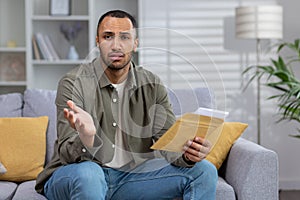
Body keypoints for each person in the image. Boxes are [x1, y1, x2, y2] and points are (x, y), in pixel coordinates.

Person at [35, 10, 218, 200]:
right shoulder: (74, 82)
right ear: (98, 41)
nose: (116, 45)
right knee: (90, 175)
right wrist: (87, 138)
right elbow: (66, 153)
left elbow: (168, 142)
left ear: (135, 43)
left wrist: (189, 154)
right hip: (78, 174)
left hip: (131, 178)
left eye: (124, 37)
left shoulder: (152, 84)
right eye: (108, 37)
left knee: (204, 171)